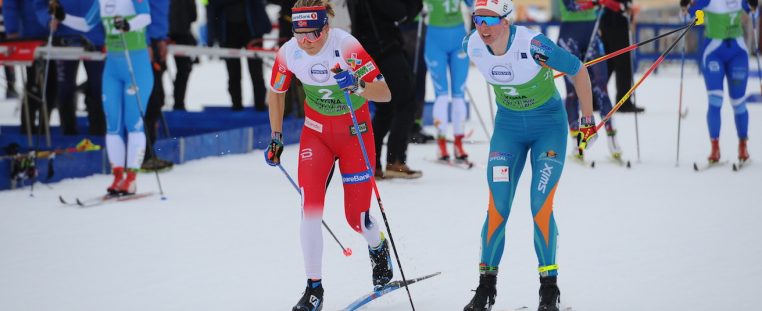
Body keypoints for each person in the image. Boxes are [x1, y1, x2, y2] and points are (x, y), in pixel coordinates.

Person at [462, 0, 597, 310]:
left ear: (507, 22)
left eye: (490, 20)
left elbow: (578, 70)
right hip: (508, 129)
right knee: (498, 206)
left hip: (547, 127)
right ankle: (486, 288)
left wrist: (587, 121)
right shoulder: (473, 44)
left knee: (540, 205)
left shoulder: (535, 45)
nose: (483, 27)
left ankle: (549, 289)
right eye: (478, 19)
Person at [264, 1, 394, 310]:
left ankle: (378, 248)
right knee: (310, 210)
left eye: (313, 34)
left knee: (356, 219)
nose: (306, 42)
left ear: (326, 28)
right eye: (300, 34)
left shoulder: (347, 46)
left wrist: (358, 85)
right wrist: (276, 137)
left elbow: (385, 92)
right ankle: (314, 289)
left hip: (355, 134)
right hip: (316, 134)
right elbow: (276, 93)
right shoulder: (288, 52)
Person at [51, 0, 154, 195]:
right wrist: (64, 17)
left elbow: (146, 17)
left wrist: (128, 24)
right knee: (113, 124)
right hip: (113, 67)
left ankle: (131, 178)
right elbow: (86, 24)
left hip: (136, 66)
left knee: (132, 122)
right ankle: (117, 177)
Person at [347, 0, 424, 179]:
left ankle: (372, 164)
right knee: (405, 103)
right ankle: (394, 160)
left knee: (386, 108)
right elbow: (401, 14)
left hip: (367, 48)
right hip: (383, 48)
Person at [681, 0, 753, 163]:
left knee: (738, 102)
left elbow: (752, 11)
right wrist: (685, 6)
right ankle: (715, 147)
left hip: (738, 53)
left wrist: (754, 5)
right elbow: (688, 14)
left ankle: (743, 144)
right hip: (714, 52)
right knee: (715, 100)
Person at [556, 0, 623, 160]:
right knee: (572, 91)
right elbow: (570, 5)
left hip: (592, 33)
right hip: (570, 36)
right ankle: (577, 143)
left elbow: (610, 5)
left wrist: (616, 6)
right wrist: (595, 2)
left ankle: (612, 138)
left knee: (602, 88)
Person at [35, 0, 106, 136]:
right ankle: (68, 133)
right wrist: (48, 20)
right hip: (64, 38)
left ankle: (99, 133)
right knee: (65, 88)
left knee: (99, 87)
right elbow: (40, 4)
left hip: (96, 38)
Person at [424, 0, 473, 162]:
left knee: (458, 94)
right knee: (442, 94)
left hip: (458, 38)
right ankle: (442, 143)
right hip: (435, 40)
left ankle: (458, 142)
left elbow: (475, 4)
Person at [207, 0, 271, 111]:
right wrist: (212, 35)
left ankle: (260, 106)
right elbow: (212, 6)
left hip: (252, 31)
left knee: (256, 73)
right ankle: (237, 106)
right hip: (228, 32)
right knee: (233, 74)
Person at [4, 0, 57, 135]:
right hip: (29, 36)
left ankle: (44, 126)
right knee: (34, 83)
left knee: (51, 84)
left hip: (53, 34)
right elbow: (10, 5)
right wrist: (12, 30)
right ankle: (28, 126)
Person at [141, 0, 174, 172]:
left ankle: (148, 152)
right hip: (142, 42)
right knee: (149, 102)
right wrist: (146, 42)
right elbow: (139, 12)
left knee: (157, 101)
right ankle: (142, 155)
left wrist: (162, 39)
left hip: (156, 39)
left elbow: (160, 12)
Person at [599, 0, 645, 113]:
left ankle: (595, 99)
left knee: (609, 62)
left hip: (611, 18)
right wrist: (626, 6)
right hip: (616, 18)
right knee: (623, 62)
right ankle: (623, 102)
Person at [168, 0, 197, 111]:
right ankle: (178, 103)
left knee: (157, 71)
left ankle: (159, 103)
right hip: (182, 33)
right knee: (183, 70)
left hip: (163, 33)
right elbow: (194, 15)